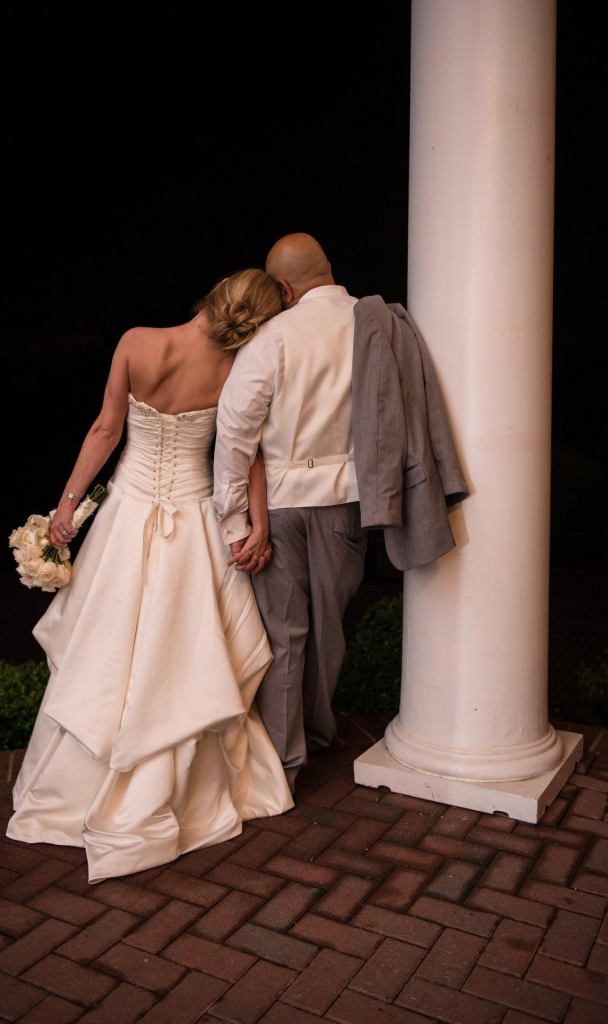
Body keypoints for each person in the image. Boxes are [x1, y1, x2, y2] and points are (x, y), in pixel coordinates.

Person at [6, 268, 294, 884]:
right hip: (195, 524)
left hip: (125, 514)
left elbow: (106, 430)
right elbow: (247, 457)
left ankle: (76, 789)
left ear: (216, 290)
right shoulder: (238, 371)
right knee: (184, 657)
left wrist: (66, 506)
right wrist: (256, 528)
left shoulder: (137, 341)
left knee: (104, 650)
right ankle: (177, 786)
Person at [213, 234, 367, 796]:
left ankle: (284, 762)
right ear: (329, 270)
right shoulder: (374, 324)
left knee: (285, 633)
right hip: (346, 498)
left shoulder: (271, 337)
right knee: (332, 626)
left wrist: (236, 523)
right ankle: (320, 730)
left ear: (282, 288)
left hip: (277, 505)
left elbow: (235, 435)